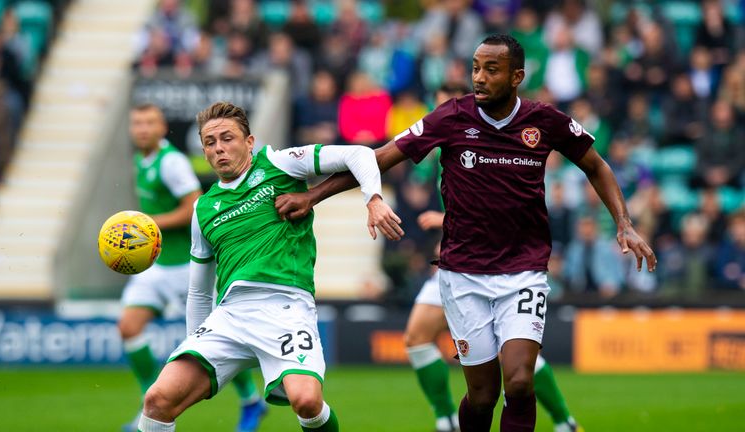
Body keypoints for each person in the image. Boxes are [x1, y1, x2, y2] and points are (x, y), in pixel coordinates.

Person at [275, 34, 656, 432]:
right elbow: (382, 157)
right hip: (463, 275)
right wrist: (314, 196)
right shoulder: (451, 116)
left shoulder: (545, 121)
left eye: (492, 69)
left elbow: (595, 165)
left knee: (521, 381)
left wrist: (624, 223)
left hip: (523, 269)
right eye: (475, 67)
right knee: (482, 396)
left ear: (516, 76)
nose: (479, 77)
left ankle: (558, 418)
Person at [137, 102, 400, 432]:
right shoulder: (203, 209)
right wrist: (199, 349)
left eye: (227, 138)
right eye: (210, 142)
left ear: (249, 142)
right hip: (230, 315)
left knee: (306, 401)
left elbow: (359, 155)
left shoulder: (278, 164)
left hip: (286, 309)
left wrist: (372, 199)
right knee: (157, 400)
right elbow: (199, 291)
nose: (219, 148)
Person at [407, 81, 585, 432]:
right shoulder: (440, 148)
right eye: (435, 107)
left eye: (445, 106)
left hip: (508, 265)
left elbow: (500, 206)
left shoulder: (489, 134)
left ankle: (564, 419)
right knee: (416, 337)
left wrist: (447, 222)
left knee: (516, 365)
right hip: (458, 266)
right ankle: (445, 418)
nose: (439, 116)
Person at [120, 103, 266, 432]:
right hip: (156, 267)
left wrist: (146, 224)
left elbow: (194, 208)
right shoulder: (139, 161)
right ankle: (149, 401)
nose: (142, 128)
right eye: (137, 123)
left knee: (219, 339)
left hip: (187, 265)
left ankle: (251, 400)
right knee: (129, 327)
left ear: (161, 128)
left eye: (150, 122)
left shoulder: (171, 163)